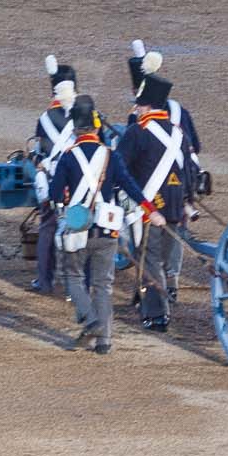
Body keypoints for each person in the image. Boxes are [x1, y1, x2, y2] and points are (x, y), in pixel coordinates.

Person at [47, 95, 163, 356]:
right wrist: (151, 211)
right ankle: (104, 341)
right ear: (97, 127)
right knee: (103, 285)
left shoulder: (67, 157)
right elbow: (131, 186)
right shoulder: (110, 156)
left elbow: (54, 195)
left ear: (76, 129)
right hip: (107, 231)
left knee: (73, 277)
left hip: (77, 231)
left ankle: (90, 322)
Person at [117, 71, 192, 333]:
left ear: (147, 105)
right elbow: (188, 172)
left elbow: (119, 168)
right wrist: (187, 201)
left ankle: (157, 314)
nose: (136, 109)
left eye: (139, 104)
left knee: (149, 259)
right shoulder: (179, 133)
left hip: (148, 208)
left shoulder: (137, 132)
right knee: (157, 258)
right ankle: (142, 296)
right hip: (175, 206)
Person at [30, 56, 79, 294]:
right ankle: (77, 284)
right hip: (83, 182)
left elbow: (41, 150)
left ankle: (45, 280)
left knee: (48, 226)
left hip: (55, 181)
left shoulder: (45, 118)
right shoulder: (88, 113)